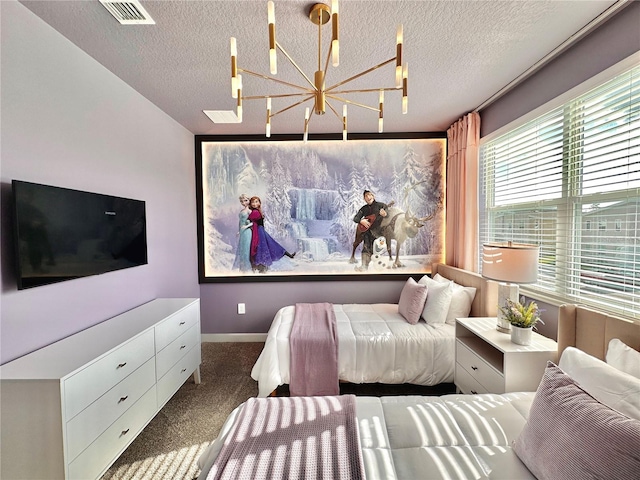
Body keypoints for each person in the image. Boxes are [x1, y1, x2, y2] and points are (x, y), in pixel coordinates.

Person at [248, 196, 295, 273]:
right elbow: (250, 221)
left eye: (256, 202)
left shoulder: (256, 211)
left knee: (265, 246)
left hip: (260, 231)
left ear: (259, 203)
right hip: (260, 231)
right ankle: (288, 254)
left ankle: (261, 265)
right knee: (270, 245)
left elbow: (250, 220)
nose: (254, 203)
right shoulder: (256, 211)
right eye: (253, 202)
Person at [353, 189, 387, 270]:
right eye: (366, 196)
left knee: (377, 250)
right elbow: (356, 218)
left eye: (369, 194)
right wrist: (361, 221)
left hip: (379, 233)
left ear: (373, 196)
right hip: (367, 234)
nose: (368, 197)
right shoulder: (364, 209)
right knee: (365, 249)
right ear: (364, 199)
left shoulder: (381, 205)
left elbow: (387, 214)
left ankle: (380, 270)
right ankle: (364, 267)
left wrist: (385, 214)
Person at [232, 193, 253, 272]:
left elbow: (254, 222)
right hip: (242, 232)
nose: (244, 203)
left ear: (248, 200)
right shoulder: (242, 211)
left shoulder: (250, 211)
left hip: (247, 232)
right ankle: (242, 268)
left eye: (245, 200)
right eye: (242, 201)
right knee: (242, 249)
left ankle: (247, 268)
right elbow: (240, 222)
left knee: (246, 249)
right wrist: (239, 231)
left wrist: (246, 226)